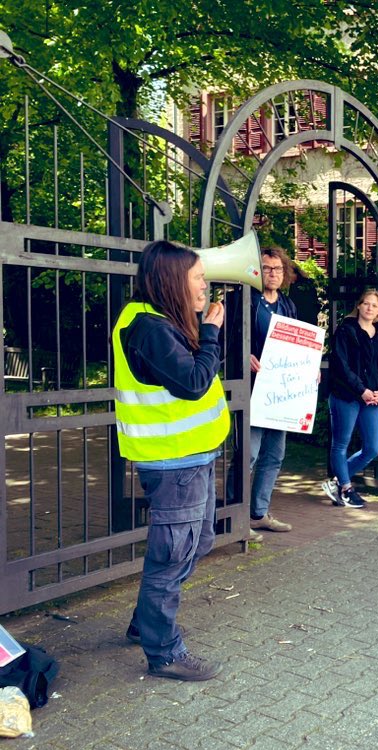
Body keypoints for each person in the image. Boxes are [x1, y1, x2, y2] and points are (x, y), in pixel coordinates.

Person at [115, 241, 228, 682]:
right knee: (171, 556)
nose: (204, 284)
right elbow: (194, 381)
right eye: (197, 277)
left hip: (192, 457)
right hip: (173, 463)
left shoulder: (160, 322)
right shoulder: (148, 327)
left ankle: (147, 621)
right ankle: (163, 652)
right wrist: (212, 330)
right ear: (172, 280)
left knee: (196, 544)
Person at [321, 288, 378, 509]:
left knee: (373, 447)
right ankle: (345, 488)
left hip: (372, 398)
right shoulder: (345, 330)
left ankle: (336, 481)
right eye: (366, 304)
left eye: (374, 305)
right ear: (359, 306)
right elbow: (341, 366)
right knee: (340, 444)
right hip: (347, 395)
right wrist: (361, 390)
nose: (370, 308)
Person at [247, 246, 297, 538]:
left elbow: (299, 344)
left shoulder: (288, 305)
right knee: (249, 454)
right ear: (257, 270)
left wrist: (308, 368)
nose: (273, 274)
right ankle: (234, 514)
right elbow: (226, 340)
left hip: (282, 394)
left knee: (274, 455)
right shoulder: (244, 300)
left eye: (278, 269)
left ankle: (258, 513)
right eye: (267, 268)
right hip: (254, 390)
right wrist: (244, 357)